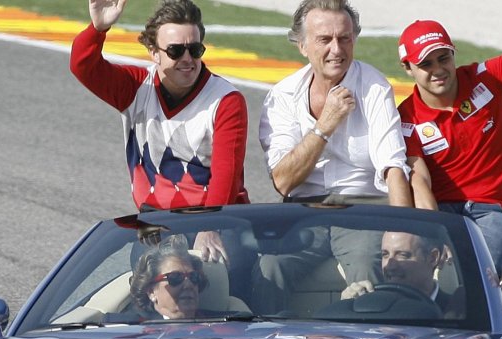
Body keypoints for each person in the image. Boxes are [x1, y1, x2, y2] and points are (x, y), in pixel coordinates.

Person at [252, 0, 412, 313]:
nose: (337, 50)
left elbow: (393, 166)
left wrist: (403, 231)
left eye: (345, 38)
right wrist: (325, 125)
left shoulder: (374, 87)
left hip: (362, 208)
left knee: (369, 268)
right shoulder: (283, 95)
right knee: (269, 267)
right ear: (302, 45)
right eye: (325, 40)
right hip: (304, 211)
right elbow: (283, 182)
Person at [396, 1, 502, 274]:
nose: (439, 69)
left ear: (454, 54)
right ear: (408, 68)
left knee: (474, 274)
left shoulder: (487, 77)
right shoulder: (406, 118)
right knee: (411, 270)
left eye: (444, 58)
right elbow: (419, 183)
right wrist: (434, 233)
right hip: (443, 212)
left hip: (496, 213)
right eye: (426, 64)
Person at [70, 0, 248, 263]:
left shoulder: (226, 100)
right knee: (149, 284)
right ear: (154, 52)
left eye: (195, 49)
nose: (187, 59)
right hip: (155, 220)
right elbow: (83, 67)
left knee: (223, 274)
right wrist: (98, 29)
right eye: (176, 51)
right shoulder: (134, 87)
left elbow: (227, 175)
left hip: (218, 217)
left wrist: (209, 226)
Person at [338, 176, 502, 316]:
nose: (391, 265)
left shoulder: (465, 305)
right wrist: (347, 309)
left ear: (433, 258)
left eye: (404, 255)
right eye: (385, 255)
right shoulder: (365, 302)